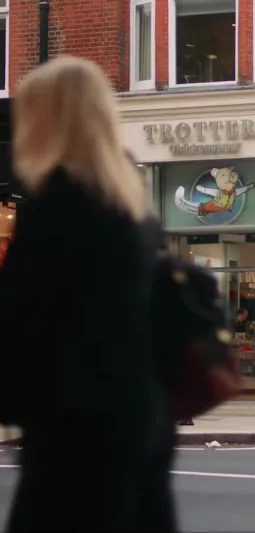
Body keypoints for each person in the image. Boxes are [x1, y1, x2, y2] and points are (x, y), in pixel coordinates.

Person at [0, 56, 176, 531]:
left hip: (76, 426)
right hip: (144, 418)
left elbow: (20, 317)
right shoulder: (133, 201)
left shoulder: (59, 204)